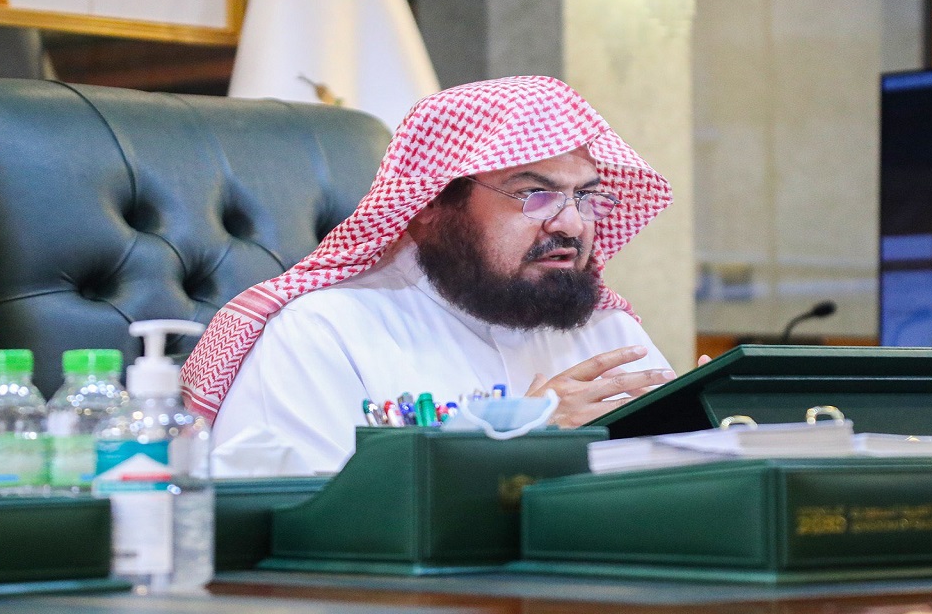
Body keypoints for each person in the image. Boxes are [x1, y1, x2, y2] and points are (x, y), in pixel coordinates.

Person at [181, 76, 676, 474]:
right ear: (430, 206)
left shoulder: (607, 331)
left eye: (585, 196)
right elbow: (299, 523)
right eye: (533, 194)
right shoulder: (322, 333)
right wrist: (516, 443)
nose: (571, 223)